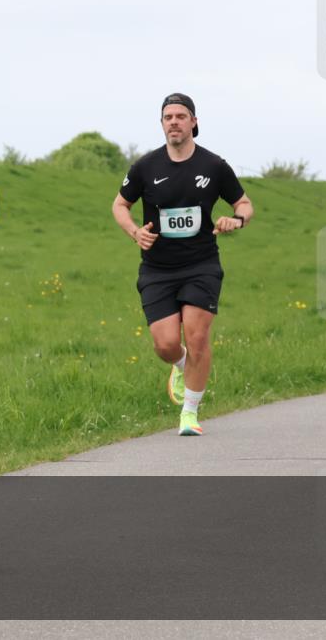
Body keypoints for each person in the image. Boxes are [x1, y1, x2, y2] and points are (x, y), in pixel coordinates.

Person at [111, 93, 254, 436]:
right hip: (157, 268)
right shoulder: (145, 167)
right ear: (162, 124)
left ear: (194, 122)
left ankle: (189, 413)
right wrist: (135, 233)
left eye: (180, 116)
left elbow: (245, 203)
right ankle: (179, 363)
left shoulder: (214, 166)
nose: (174, 121)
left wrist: (237, 219)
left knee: (198, 335)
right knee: (164, 344)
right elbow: (119, 205)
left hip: (201, 264)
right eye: (167, 117)